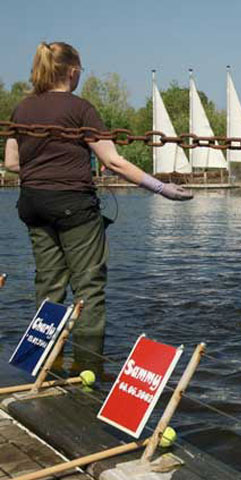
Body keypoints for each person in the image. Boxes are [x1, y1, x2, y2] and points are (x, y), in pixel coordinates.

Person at [3, 41, 193, 375]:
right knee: (88, 288)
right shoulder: (80, 108)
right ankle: (87, 371)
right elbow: (113, 161)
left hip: (33, 204)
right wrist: (162, 189)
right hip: (74, 207)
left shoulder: (22, 109)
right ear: (73, 72)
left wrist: (45, 167)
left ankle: (41, 364)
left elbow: (12, 163)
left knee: (48, 285)